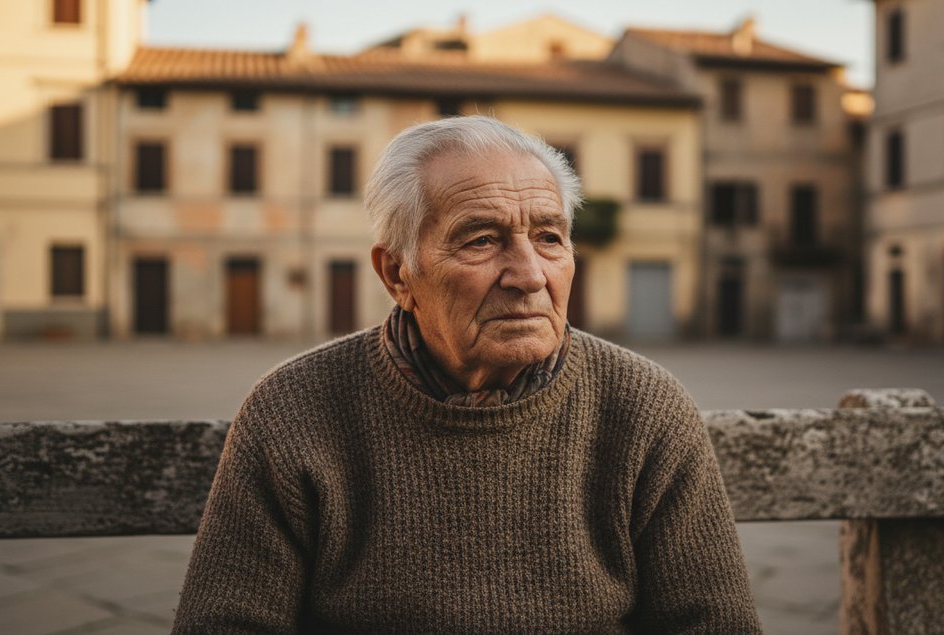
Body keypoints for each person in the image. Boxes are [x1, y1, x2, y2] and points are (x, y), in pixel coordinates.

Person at [172, 115, 762, 633]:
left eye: (549, 238)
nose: (530, 275)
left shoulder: (644, 407)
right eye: (482, 240)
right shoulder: (295, 409)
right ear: (398, 274)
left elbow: (713, 623)